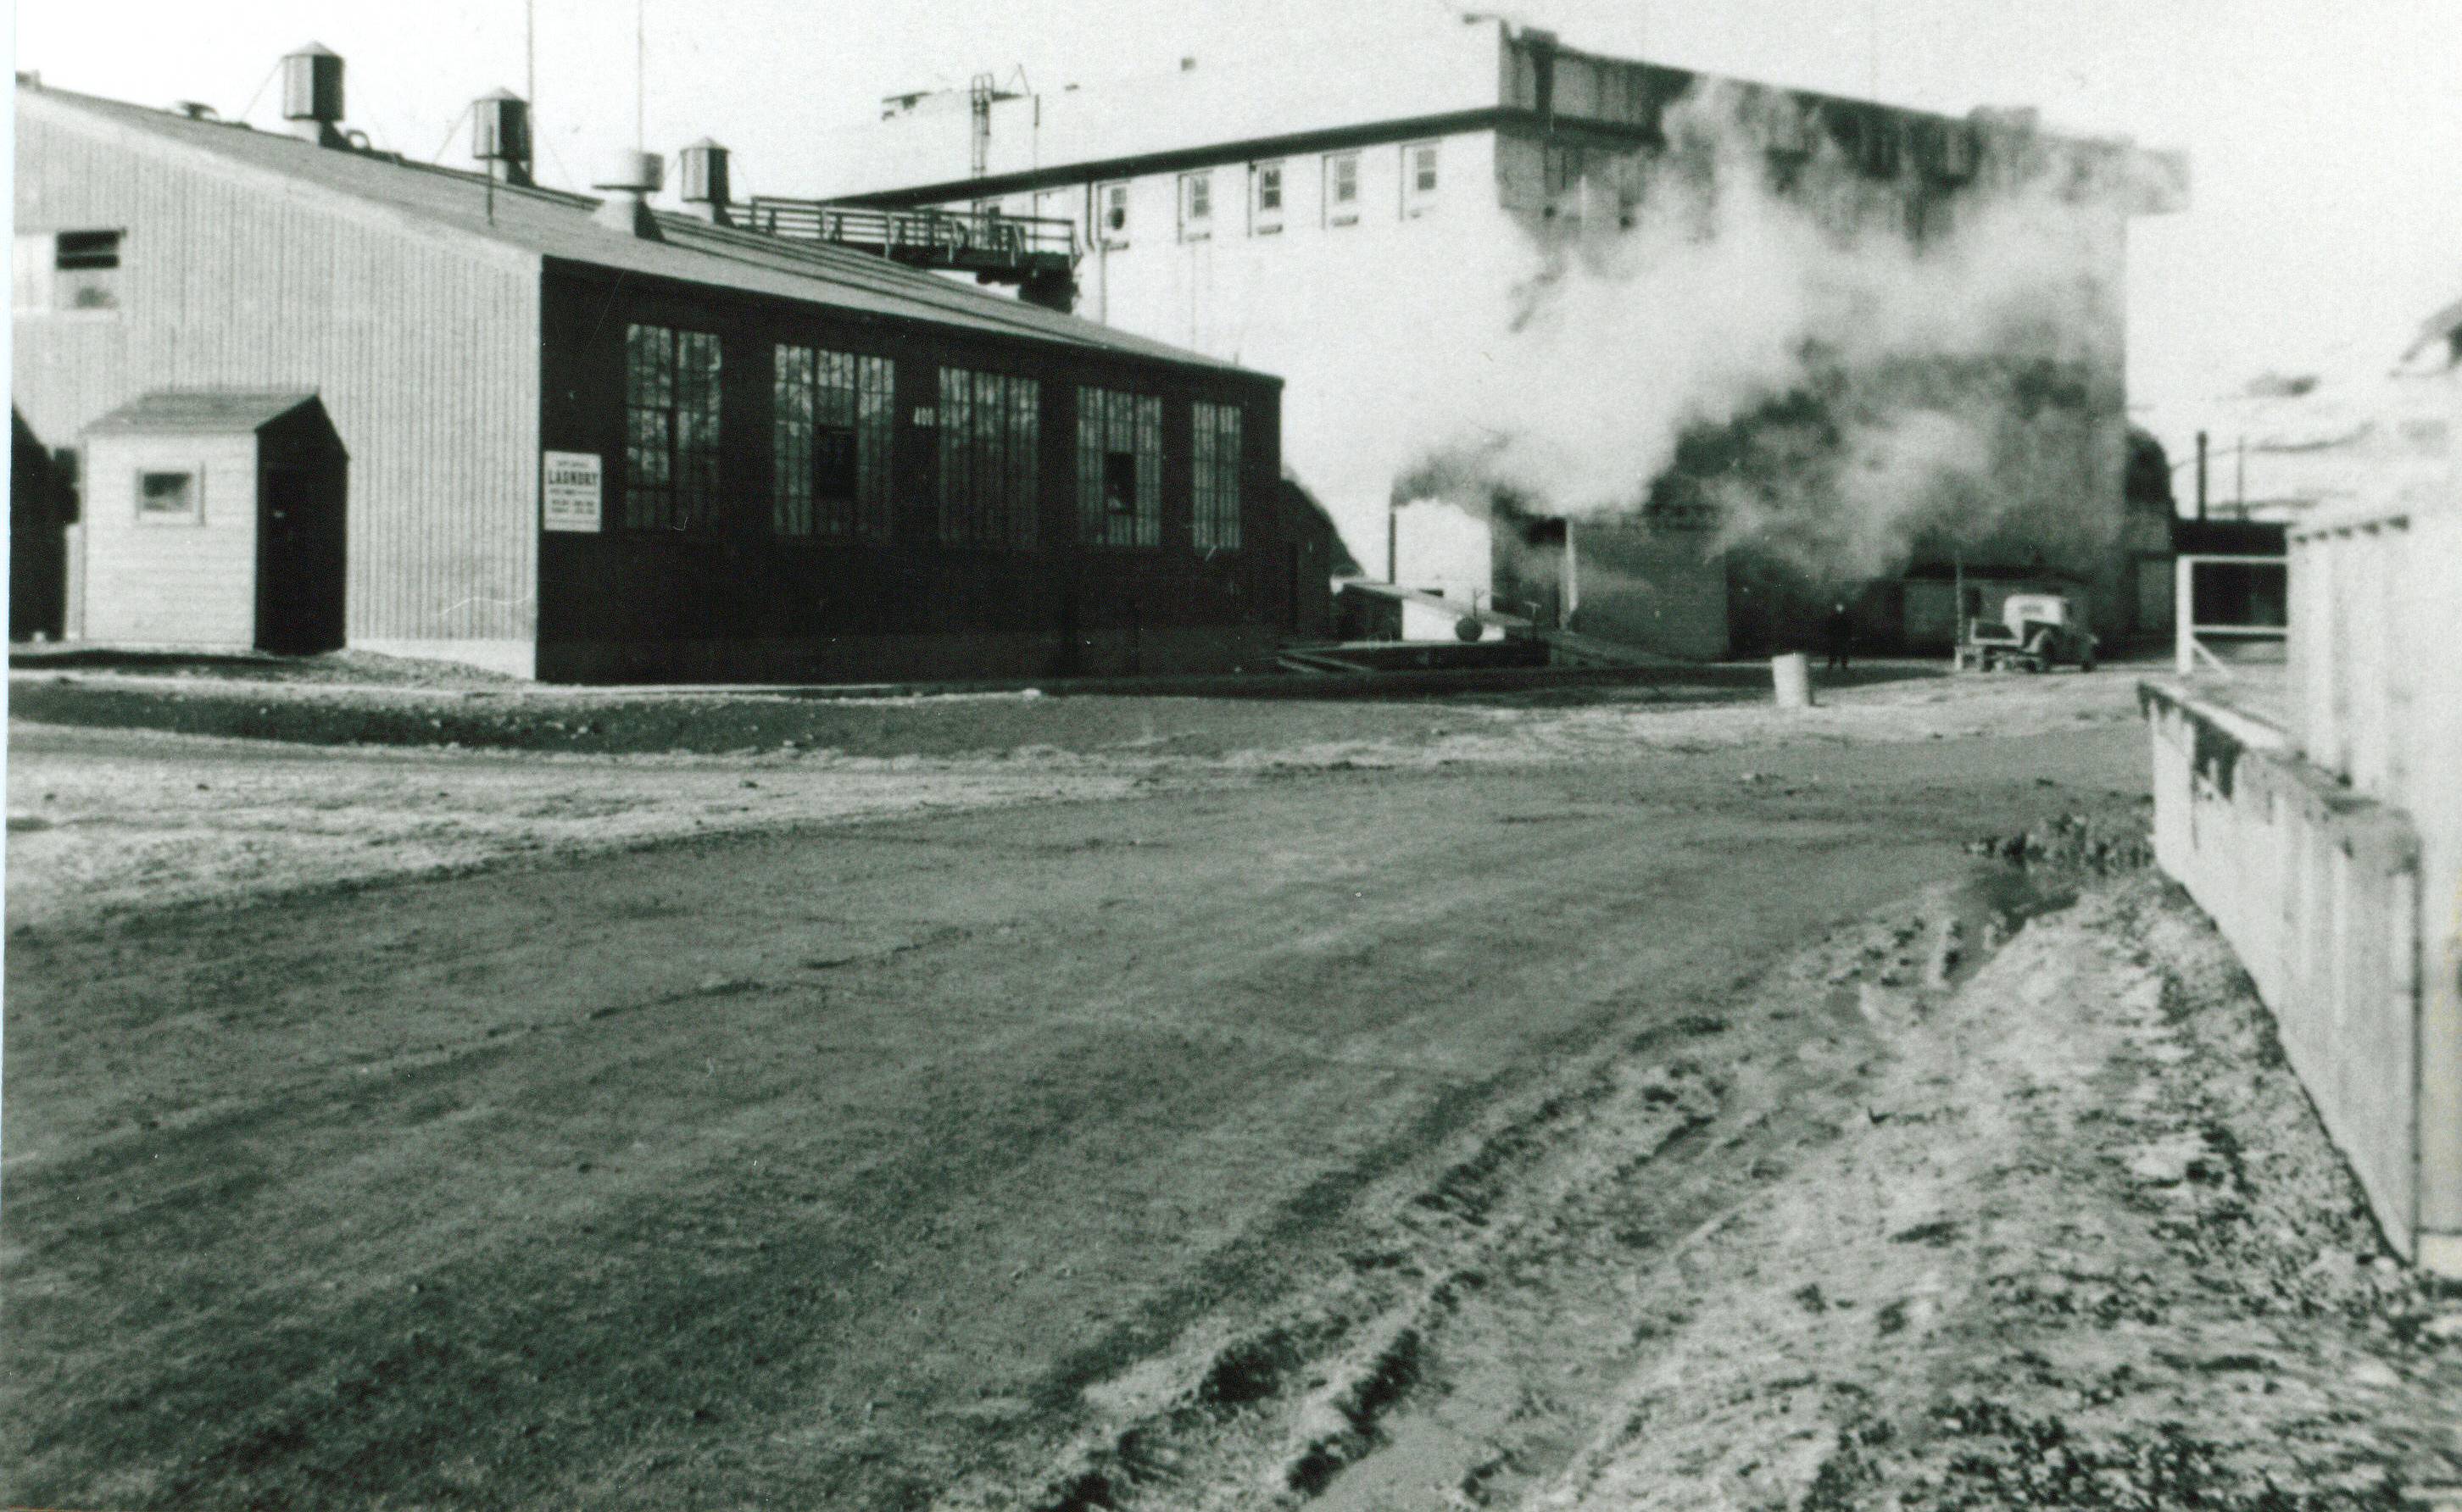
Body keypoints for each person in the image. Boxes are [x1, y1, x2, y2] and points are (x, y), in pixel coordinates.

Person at [1825, 602, 1852, 672]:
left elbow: (1848, 627)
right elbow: (1829, 627)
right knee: (1834, 651)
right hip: (1836, 637)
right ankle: (1832, 664)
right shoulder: (1834, 617)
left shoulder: (1843, 617)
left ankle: (1842, 665)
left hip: (1841, 637)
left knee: (1842, 651)